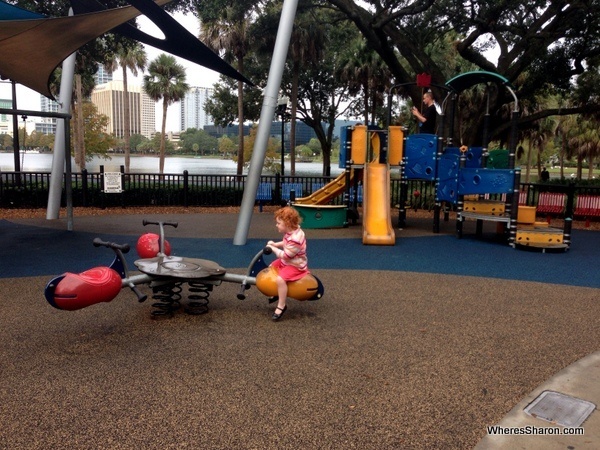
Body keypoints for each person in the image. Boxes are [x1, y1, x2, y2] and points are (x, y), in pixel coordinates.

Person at [266, 206, 309, 321]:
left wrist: (273, 249)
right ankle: (277, 292)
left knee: (280, 279)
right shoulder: (292, 232)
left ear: (287, 224)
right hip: (288, 261)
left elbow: (286, 255)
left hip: (295, 265)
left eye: (279, 223)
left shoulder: (296, 239)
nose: (276, 225)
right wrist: (276, 244)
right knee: (271, 268)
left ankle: (281, 305)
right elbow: (286, 243)